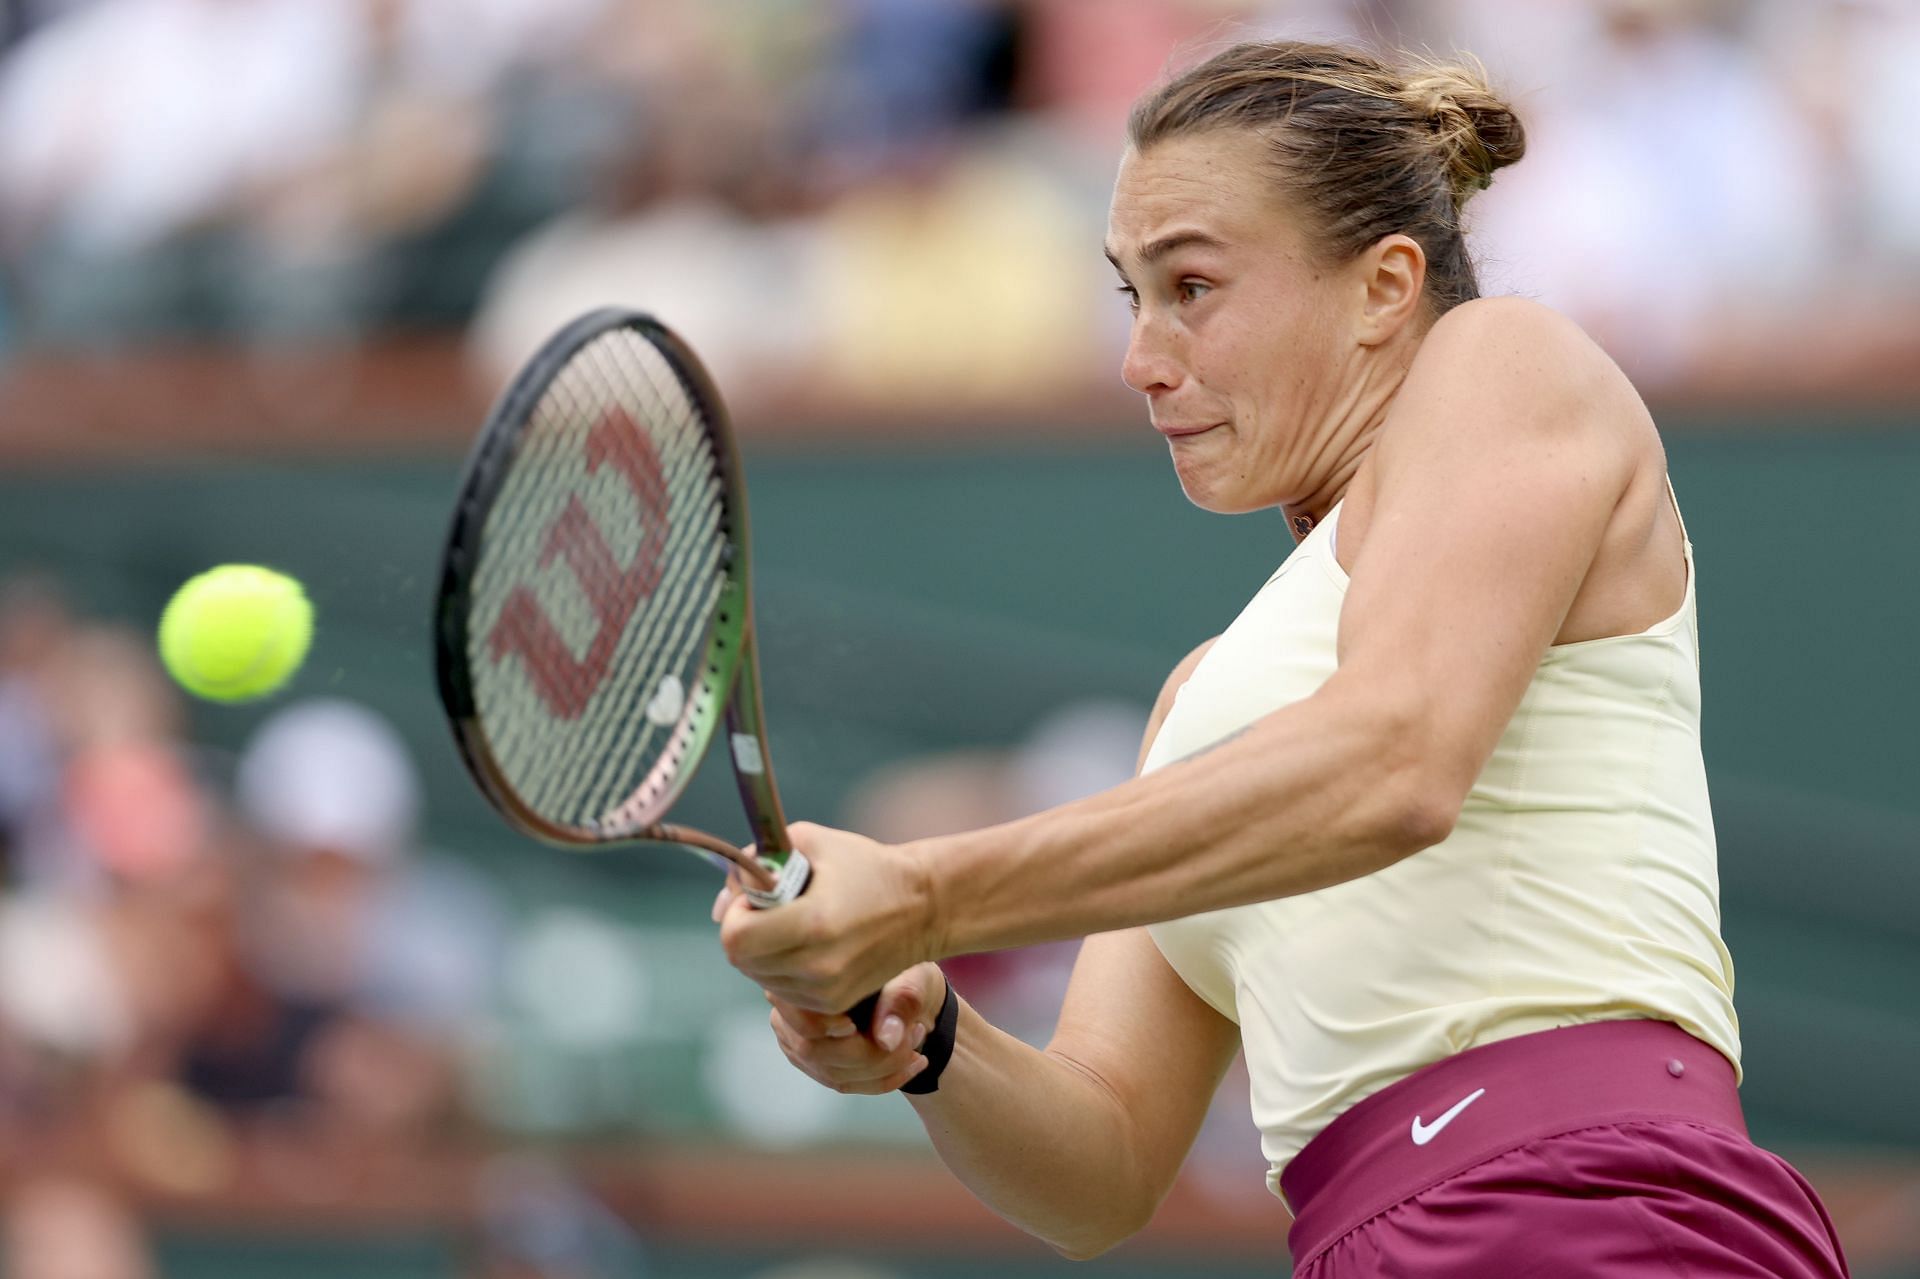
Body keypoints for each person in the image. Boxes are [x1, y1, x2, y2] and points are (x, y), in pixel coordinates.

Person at [714, 39, 1850, 1277]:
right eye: (1128, 297)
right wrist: (930, 1037)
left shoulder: (1505, 360)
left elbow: (1396, 761)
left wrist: (925, 895)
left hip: (1591, 1207)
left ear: (1384, 284)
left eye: (1191, 286)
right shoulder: (1204, 701)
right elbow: (1102, 1165)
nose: (1144, 358)